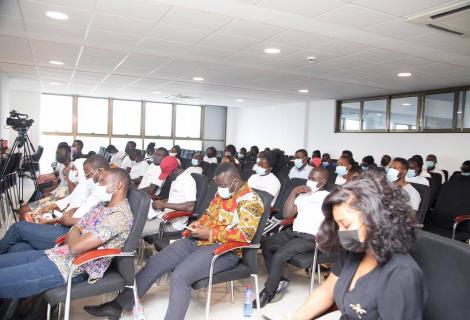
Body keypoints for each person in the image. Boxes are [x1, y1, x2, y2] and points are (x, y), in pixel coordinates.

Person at [84, 164, 264, 320]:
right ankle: (117, 306)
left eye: (223, 185)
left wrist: (210, 232)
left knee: (180, 276)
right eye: (218, 185)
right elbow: (209, 215)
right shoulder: (222, 193)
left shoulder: (250, 200)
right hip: (198, 240)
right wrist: (198, 224)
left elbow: (244, 235)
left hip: (224, 250)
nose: (220, 189)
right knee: (155, 262)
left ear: (235, 181)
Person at [289, 172, 427, 320]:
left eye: (346, 224)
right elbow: (327, 290)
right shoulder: (354, 249)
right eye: (338, 225)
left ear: (375, 219)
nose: (341, 233)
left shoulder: (401, 274)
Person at [0, 168, 134, 298]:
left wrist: (76, 229)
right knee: (12, 254)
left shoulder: (118, 216)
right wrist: (76, 230)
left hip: (70, 268)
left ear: (118, 185)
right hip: (56, 254)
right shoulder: (102, 205)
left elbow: (75, 247)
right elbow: (76, 232)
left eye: (102, 182)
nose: (98, 185)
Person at [0, 155, 109, 253]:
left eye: (87, 175)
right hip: (66, 226)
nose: (86, 178)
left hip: (71, 234)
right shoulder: (96, 188)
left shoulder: (105, 194)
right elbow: (79, 208)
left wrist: (63, 219)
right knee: (17, 248)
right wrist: (58, 218)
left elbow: (90, 221)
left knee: (18, 228)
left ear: (99, 171)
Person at [257, 167, 330, 308]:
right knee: (266, 244)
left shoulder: (328, 198)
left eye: (313, 179)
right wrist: (293, 193)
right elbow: (287, 214)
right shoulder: (303, 195)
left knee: (280, 255)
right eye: (309, 177)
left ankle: (269, 291)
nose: (309, 181)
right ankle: (280, 280)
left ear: (322, 182)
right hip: (293, 232)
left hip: (311, 237)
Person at [142, 156, 196, 237]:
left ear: (174, 171)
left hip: (173, 223)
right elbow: (175, 199)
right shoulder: (176, 179)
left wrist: (164, 205)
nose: (166, 178)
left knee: (138, 229)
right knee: (136, 221)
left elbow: (190, 207)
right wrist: (161, 202)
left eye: (167, 176)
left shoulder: (188, 181)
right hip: (164, 216)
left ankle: (130, 249)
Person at [17, 144, 73, 218]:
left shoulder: (73, 169)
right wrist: (51, 192)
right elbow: (61, 185)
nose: (58, 155)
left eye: (60, 154)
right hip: (57, 195)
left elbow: (71, 193)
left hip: (61, 199)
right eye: (57, 153)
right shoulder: (63, 166)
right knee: (23, 209)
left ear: (68, 154)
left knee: (24, 210)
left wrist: (54, 199)